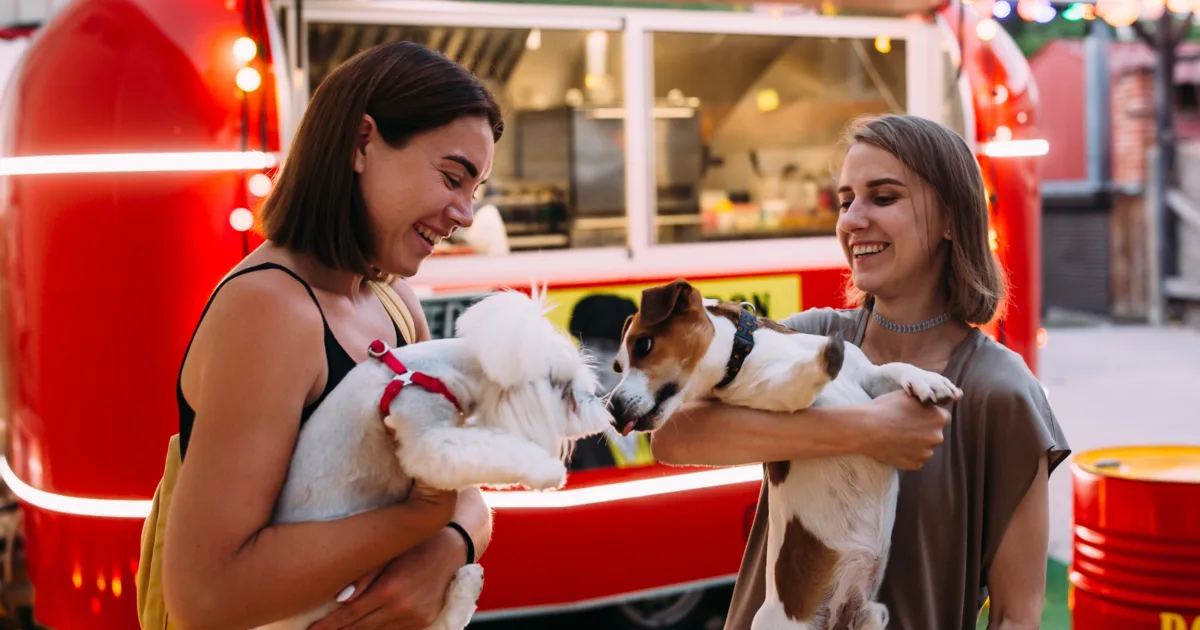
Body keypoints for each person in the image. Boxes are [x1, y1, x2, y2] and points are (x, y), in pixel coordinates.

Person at [650, 114, 1070, 630]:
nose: (851, 220)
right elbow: (671, 435)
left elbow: (1016, 615)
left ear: (951, 219)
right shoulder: (810, 340)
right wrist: (866, 429)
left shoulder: (999, 390)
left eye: (883, 197)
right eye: (846, 201)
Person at [155, 41, 502, 630]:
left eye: (474, 191)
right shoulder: (270, 311)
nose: (464, 214)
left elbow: (467, 494)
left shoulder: (393, 301)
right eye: (451, 178)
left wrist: (449, 548)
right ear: (361, 143)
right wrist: (423, 523)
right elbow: (205, 598)